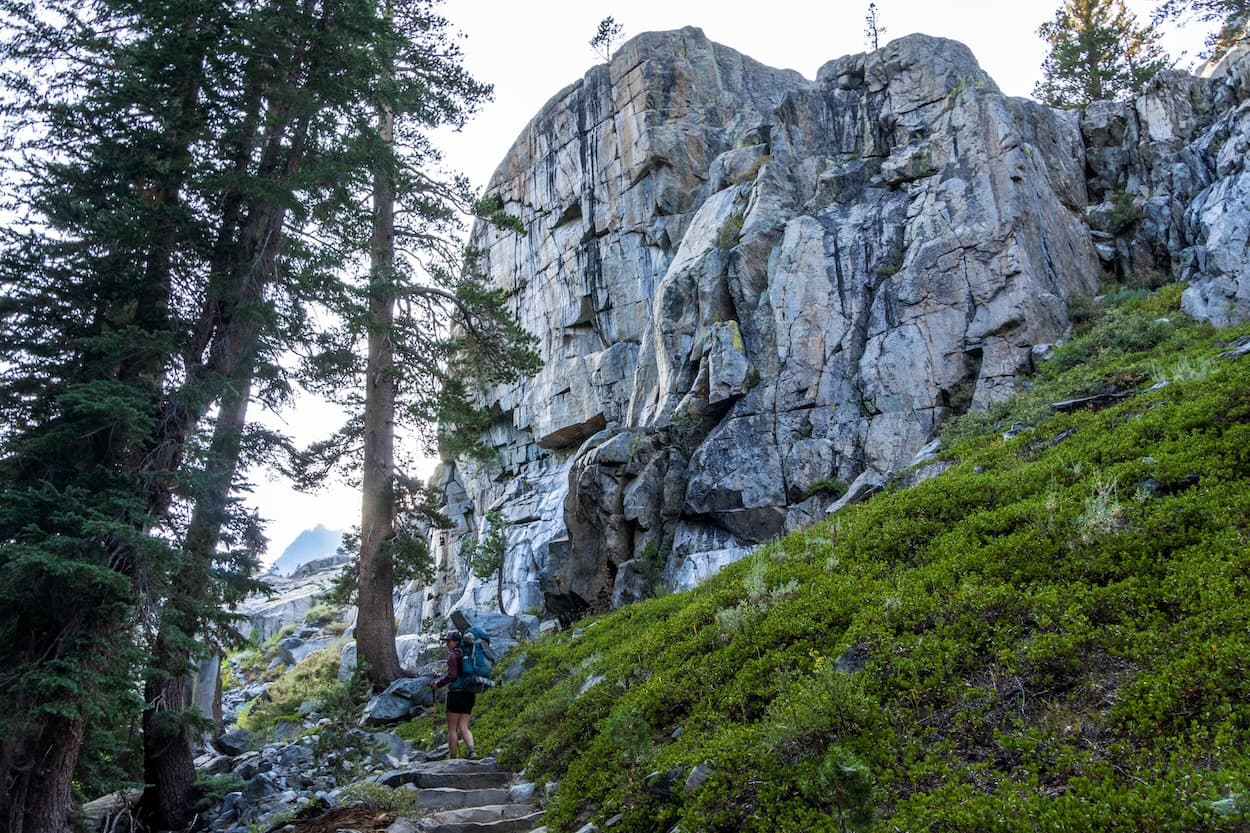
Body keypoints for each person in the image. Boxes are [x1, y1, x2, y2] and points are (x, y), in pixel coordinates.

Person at [431, 629, 476, 759]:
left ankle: (453, 758)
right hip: (469, 694)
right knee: (463, 726)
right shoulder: (469, 654)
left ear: (456, 642)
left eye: (449, 641)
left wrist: (438, 684)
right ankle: (472, 751)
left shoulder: (453, 656)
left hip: (456, 695)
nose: (447, 644)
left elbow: (452, 675)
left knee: (452, 728)